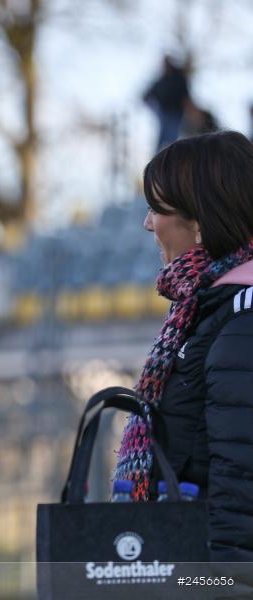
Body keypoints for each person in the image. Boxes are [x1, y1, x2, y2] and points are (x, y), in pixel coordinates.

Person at [114, 131, 253, 565]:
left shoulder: (241, 318)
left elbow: (242, 481)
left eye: (157, 208)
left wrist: (213, 585)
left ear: (199, 221)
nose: (147, 223)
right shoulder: (207, 309)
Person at [143, 55, 192, 151]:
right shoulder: (161, 80)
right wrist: (155, 109)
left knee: (172, 138)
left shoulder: (179, 79)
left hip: (176, 113)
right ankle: (159, 158)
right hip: (164, 114)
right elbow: (147, 95)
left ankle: (172, 156)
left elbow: (185, 96)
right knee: (162, 139)